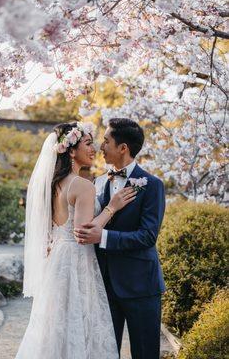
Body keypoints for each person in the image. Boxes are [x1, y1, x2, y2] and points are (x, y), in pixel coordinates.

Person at [15, 121, 136, 359]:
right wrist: (111, 207)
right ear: (71, 150)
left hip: (57, 260)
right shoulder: (82, 186)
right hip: (77, 261)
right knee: (80, 322)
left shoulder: (51, 186)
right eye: (88, 144)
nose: (94, 149)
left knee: (54, 325)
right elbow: (83, 234)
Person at [74, 118, 166, 359]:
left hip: (141, 287)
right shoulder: (98, 182)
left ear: (123, 147)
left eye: (106, 141)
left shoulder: (152, 186)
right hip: (104, 286)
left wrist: (102, 237)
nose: (100, 147)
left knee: (145, 354)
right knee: (104, 352)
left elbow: (147, 236)